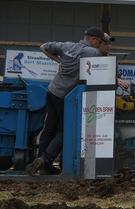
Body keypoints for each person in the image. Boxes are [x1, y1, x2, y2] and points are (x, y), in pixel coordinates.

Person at [26, 26, 108, 175]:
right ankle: (45, 159)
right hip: (66, 96)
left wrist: (59, 62)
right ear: (93, 39)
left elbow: (43, 47)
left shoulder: (67, 46)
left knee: (49, 127)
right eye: (101, 41)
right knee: (65, 131)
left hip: (53, 90)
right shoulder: (93, 52)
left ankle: (44, 166)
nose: (101, 45)